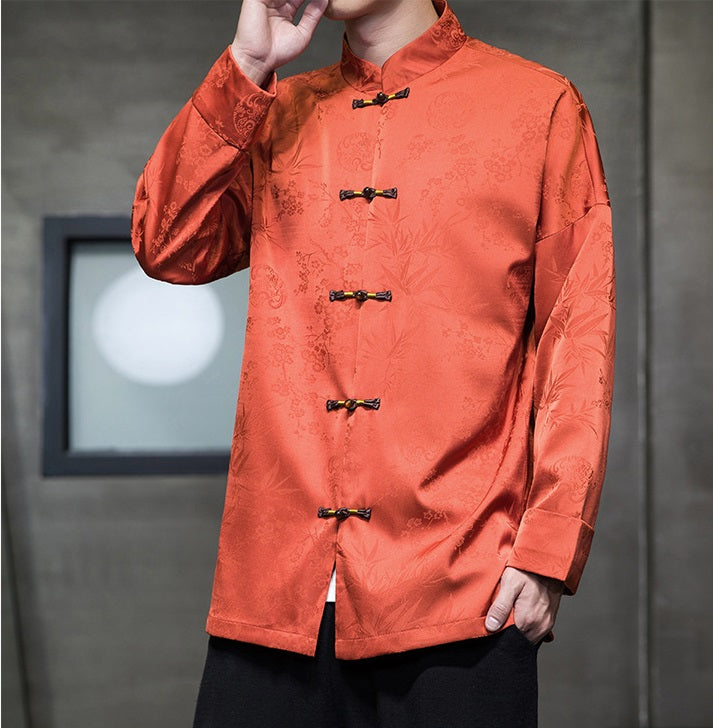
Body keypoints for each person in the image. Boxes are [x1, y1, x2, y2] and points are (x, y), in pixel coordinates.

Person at [131, 0, 616, 725]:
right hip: (275, 591)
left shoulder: (537, 105)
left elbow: (578, 339)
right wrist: (248, 66)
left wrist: (546, 551)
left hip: (461, 590)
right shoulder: (276, 108)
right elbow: (169, 245)